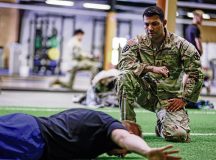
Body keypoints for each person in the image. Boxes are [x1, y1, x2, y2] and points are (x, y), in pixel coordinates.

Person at [116, 6, 204, 143]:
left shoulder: (181, 45)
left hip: (169, 100)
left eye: (155, 23)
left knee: (179, 135)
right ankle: (129, 128)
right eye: (147, 24)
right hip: (145, 93)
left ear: (164, 23)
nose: (150, 28)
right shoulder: (136, 43)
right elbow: (123, 64)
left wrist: (185, 99)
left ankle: (162, 125)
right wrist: (151, 68)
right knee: (123, 76)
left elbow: (196, 73)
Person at [0, 108, 181, 160]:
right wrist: (146, 151)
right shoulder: (109, 125)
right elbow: (124, 138)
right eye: (127, 152)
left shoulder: (95, 138)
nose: (124, 154)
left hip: (25, 126)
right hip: (30, 138)